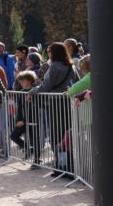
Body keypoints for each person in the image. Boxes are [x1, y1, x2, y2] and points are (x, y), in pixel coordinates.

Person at [29, 42, 78, 177]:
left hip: (56, 104)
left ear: (55, 52)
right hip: (67, 103)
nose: (48, 53)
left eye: (50, 51)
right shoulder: (71, 66)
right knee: (66, 136)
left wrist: (32, 91)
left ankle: (61, 166)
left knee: (57, 135)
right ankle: (67, 165)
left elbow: (46, 86)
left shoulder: (55, 66)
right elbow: (77, 82)